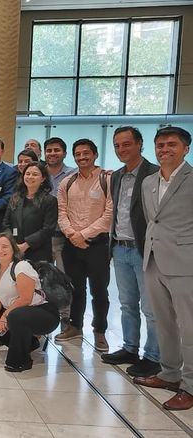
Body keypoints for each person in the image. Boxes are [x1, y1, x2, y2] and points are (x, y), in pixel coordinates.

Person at [134, 126, 193, 410]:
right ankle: (170, 373)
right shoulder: (149, 182)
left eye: (171, 144)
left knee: (190, 326)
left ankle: (190, 386)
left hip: (185, 263)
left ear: (186, 149)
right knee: (164, 322)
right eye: (160, 145)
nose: (164, 149)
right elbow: (151, 221)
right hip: (154, 259)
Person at [101, 127, 161, 377]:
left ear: (139, 144)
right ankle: (129, 347)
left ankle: (153, 356)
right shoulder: (116, 177)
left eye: (126, 144)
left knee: (151, 307)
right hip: (120, 246)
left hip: (144, 250)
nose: (121, 149)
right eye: (116, 145)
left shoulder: (154, 174)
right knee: (126, 303)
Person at [55, 139, 113, 352]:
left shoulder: (108, 179)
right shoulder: (67, 183)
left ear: (95, 154)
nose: (82, 157)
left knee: (100, 290)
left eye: (86, 153)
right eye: (78, 154)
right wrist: (72, 234)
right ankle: (75, 326)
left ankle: (99, 331)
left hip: (97, 244)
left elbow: (109, 214)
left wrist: (84, 235)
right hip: (71, 243)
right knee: (75, 288)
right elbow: (61, 212)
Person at [0, 233, 60, 372]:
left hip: (43, 312)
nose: (0, 250)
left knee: (15, 316)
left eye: (5, 247)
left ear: (13, 249)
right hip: (16, 312)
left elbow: (26, 298)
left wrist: (5, 315)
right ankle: (29, 344)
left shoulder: (21, 266)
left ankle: (20, 361)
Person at [2, 162, 57, 263]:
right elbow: (6, 223)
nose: (30, 177)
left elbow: (48, 229)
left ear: (43, 178)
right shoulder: (15, 198)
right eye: (27, 174)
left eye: (35, 174)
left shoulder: (50, 200)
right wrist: (13, 244)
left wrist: (25, 245)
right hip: (15, 250)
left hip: (38, 252)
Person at [44, 137, 75, 273]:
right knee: (42, 276)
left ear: (65, 153)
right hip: (43, 235)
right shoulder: (39, 173)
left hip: (65, 235)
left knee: (65, 276)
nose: (52, 153)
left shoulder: (74, 174)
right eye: (49, 150)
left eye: (56, 150)